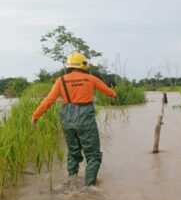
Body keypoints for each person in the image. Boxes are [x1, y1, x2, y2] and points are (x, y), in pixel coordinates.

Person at [31, 52, 117, 186]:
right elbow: (110, 93)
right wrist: (113, 94)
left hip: (68, 119)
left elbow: (49, 100)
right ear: (83, 65)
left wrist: (35, 116)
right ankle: (89, 186)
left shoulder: (61, 80)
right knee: (93, 154)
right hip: (85, 119)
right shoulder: (91, 78)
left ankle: (72, 181)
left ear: (69, 66)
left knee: (73, 152)